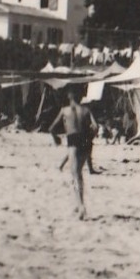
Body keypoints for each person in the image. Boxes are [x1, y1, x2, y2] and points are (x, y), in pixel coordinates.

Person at [50, 89, 96, 219]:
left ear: (69, 96)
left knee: (76, 175)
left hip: (73, 140)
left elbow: (52, 128)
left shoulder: (64, 110)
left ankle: (81, 206)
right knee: (79, 174)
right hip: (85, 140)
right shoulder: (86, 110)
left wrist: (56, 139)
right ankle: (78, 203)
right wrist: (90, 137)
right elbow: (96, 126)